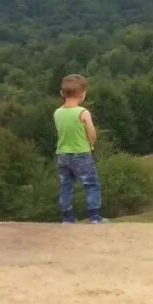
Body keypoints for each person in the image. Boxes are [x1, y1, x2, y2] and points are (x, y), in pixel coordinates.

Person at [55, 74, 105, 224]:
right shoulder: (83, 112)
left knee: (66, 185)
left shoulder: (57, 113)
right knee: (91, 184)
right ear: (83, 94)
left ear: (62, 93)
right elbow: (91, 131)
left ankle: (67, 216)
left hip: (63, 154)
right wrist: (91, 143)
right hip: (81, 153)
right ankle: (95, 216)